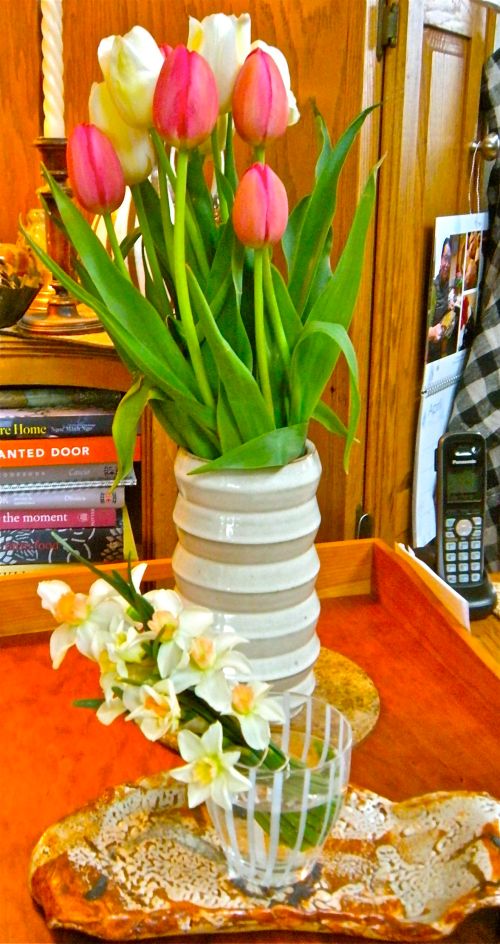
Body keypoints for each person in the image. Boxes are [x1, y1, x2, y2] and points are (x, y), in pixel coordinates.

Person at [427, 237, 457, 361]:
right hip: (428, 352)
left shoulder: (447, 286)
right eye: (445, 258)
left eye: (450, 259)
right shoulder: (433, 287)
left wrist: (449, 307)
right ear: (440, 259)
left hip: (439, 351)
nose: (446, 264)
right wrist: (431, 332)